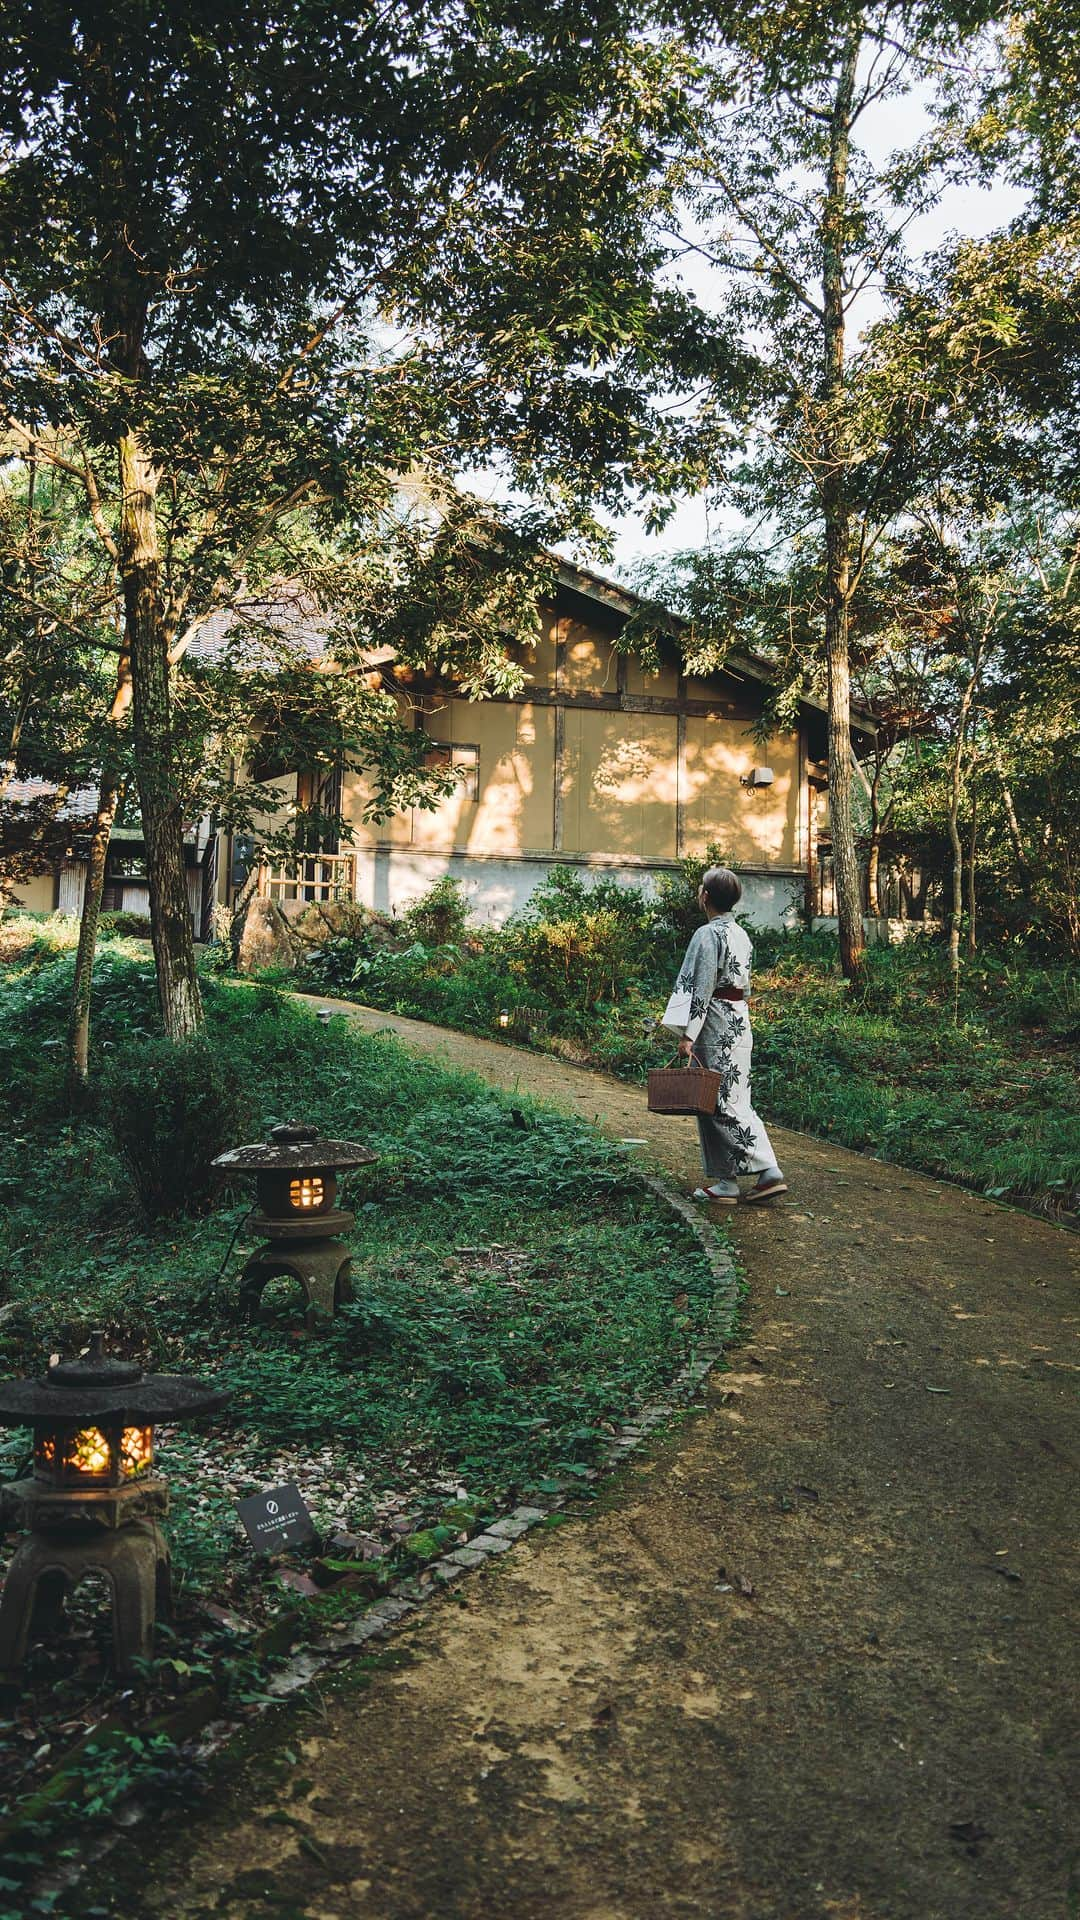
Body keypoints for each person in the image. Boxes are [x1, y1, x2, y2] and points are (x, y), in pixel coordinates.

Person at [660, 866, 787, 1203]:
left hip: (715, 1023)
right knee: (727, 1099)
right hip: (739, 1022)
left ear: (705, 896)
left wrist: (688, 1034)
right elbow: (742, 987)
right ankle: (726, 1184)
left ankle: (767, 1169)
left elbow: (700, 988)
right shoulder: (741, 935)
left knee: (717, 1100)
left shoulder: (707, 935)